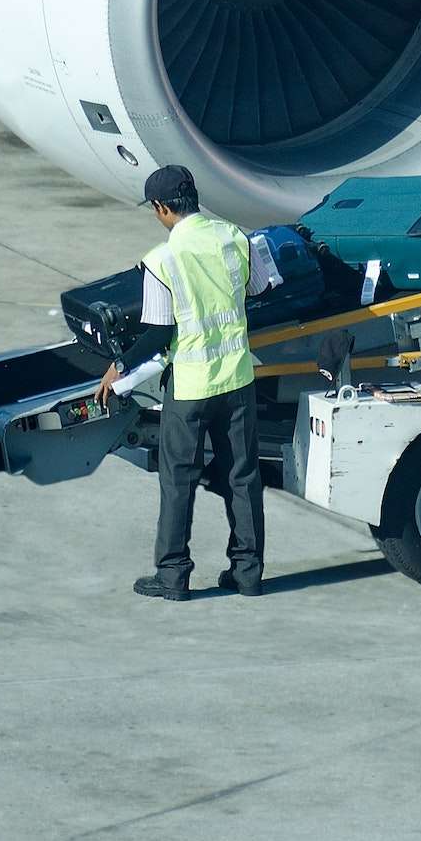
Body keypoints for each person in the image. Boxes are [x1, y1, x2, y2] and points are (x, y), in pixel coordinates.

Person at [97, 165, 279, 601]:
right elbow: (260, 289)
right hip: (236, 379)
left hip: (191, 387)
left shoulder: (163, 260)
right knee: (242, 477)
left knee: (178, 480)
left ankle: (173, 576)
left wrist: (119, 366)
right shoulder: (234, 237)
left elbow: (159, 332)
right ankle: (248, 574)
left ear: (162, 208)